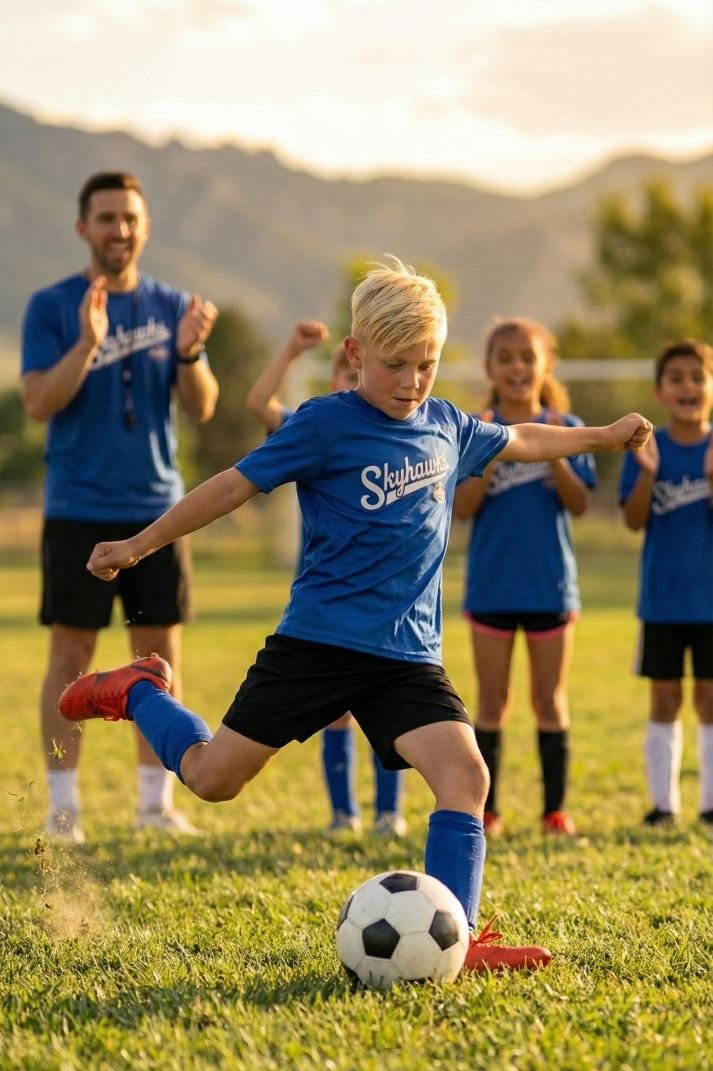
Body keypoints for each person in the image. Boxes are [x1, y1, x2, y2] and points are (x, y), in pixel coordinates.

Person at [58, 257, 652, 971]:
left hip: (405, 657)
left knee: (465, 776)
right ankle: (139, 691)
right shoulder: (324, 424)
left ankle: (456, 941)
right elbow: (229, 488)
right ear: (354, 354)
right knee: (214, 779)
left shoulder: (448, 425)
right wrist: (139, 543)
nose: (410, 382)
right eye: (395, 365)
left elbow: (522, 438)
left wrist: (603, 434)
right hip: (317, 645)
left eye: (426, 366)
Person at [21, 170, 219, 843]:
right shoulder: (51, 305)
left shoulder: (171, 305)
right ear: (83, 228)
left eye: (130, 218)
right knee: (71, 654)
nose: (119, 230)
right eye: (106, 218)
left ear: (146, 227)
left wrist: (190, 350)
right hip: (78, 506)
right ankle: (62, 810)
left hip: (158, 510)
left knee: (158, 655)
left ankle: (154, 806)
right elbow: (38, 403)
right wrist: (86, 342)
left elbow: (202, 407)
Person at [245, 319, 406, 837]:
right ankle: (343, 814)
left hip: (382, 608)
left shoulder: (399, 433)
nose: (346, 384)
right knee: (335, 715)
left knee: (387, 716)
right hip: (325, 601)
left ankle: (389, 813)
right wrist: (291, 349)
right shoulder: (313, 427)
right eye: (339, 375)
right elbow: (258, 403)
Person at [453, 318, 596, 839]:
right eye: (505, 358)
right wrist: (492, 449)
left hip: (549, 587)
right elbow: (463, 508)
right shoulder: (475, 430)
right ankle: (488, 812)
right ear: (490, 368)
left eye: (526, 357)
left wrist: (553, 448)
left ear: (545, 365)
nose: (517, 367)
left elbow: (579, 503)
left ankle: (554, 811)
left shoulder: (567, 423)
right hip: (491, 587)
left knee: (549, 700)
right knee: (491, 702)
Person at [619, 338, 713, 827]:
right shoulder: (648, 448)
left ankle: (710, 803)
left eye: (698, 377)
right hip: (663, 600)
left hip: (710, 603)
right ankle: (663, 805)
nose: (688, 387)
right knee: (664, 699)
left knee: (710, 699)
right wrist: (648, 476)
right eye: (676, 379)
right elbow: (634, 521)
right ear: (660, 390)